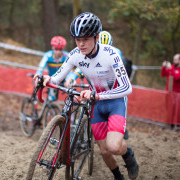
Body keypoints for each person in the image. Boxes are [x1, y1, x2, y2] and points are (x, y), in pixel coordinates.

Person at [34, 12, 139, 180]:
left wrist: (97, 95)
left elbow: (127, 88)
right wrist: (46, 78)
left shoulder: (111, 54)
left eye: (86, 39)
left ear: (96, 37)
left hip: (115, 101)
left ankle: (128, 154)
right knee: (104, 151)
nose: (81, 44)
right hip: (96, 103)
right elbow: (57, 77)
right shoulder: (75, 54)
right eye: (77, 39)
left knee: (113, 146)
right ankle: (118, 176)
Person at [65, 30, 131, 140]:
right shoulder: (90, 51)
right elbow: (84, 65)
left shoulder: (115, 53)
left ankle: (120, 127)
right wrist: (72, 77)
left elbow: (121, 72)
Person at [35, 36, 69, 101]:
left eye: (60, 50)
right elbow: (40, 67)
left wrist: (68, 79)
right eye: (56, 49)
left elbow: (70, 70)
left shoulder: (66, 56)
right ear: (52, 48)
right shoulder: (48, 55)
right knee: (51, 99)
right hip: (50, 79)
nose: (58, 52)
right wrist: (38, 75)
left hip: (62, 79)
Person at [161, 54, 180, 129]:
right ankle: (170, 123)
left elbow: (177, 77)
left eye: (175, 60)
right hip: (169, 91)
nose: (174, 61)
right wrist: (163, 67)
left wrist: (171, 69)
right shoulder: (172, 67)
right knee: (169, 108)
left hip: (177, 93)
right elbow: (163, 74)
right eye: (173, 59)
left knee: (177, 109)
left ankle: (178, 124)